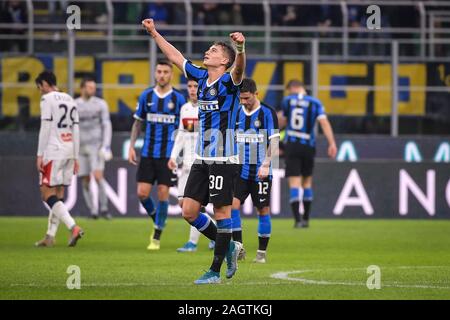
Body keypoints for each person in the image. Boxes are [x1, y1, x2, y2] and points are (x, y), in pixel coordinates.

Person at [142, 18, 245, 284]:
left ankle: (214, 271)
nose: (208, 51)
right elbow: (175, 56)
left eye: (214, 50)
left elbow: (239, 70)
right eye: (209, 48)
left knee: (222, 214)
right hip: (202, 157)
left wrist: (241, 49)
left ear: (224, 61)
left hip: (224, 157)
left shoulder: (229, 82)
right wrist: (154, 33)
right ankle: (232, 246)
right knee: (188, 210)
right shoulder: (200, 75)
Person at [128, 60, 186, 250]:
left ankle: (157, 236)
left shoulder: (178, 99)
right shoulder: (146, 96)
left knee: (163, 193)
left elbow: (184, 128)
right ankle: (158, 220)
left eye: (165, 72)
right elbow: (137, 123)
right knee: (142, 193)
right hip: (147, 153)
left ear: (171, 75)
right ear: (155, 73)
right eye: (159, 72)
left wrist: (181, 153)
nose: (162, 75)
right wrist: (131, 147)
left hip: (167, 155)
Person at [231, 78, 279, 264]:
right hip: (240, 170)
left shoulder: (267, 113)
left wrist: (266, 163)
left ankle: (261, 253)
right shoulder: (236, 113)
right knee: (233, 206)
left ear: (256, 94)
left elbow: (274, 141)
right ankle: (239, 248)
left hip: (261, 171)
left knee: (262, 209)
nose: (244, 102)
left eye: (247, 98)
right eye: (241, 98)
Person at [277, 80, 337, 228]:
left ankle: (297, 220)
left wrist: (272, 138)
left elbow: (282, 121)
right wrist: (332, 143)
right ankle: (307, 219)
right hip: (308, 146)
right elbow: (324, 123)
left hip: (292, 145)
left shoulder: (288, 101)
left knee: (294, 183)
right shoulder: (315, 103)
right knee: (307, 182)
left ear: (292, 88)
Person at [34, 71, 84, 247]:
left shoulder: (47, 100)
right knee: (58, 193)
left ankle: (73, 227)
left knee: (46, 193)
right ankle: (50, 236)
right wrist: (76, 156)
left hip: (54, 150)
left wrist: (40, 154)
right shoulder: (70, 99)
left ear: (46, 84)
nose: (40, 91)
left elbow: (46, 127)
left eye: (40, 87)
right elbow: (76, 130)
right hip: (69, 149)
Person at [169, 79, 215, 253]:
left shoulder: (208, 108)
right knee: (184, 203)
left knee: (194, 205)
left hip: (203, 163)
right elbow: (181, 134)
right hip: (187, 164)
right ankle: (214, 234)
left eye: (196, 86)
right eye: (190, 86)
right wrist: (173, 156)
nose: (193, 89)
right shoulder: (185, 109)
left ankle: (193, 242)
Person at [75, 78, 113, 220]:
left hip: (95, 146)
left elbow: (106, 125)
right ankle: (93, 211)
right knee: (85, 180)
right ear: (82, 88)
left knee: (98, 176)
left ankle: (103, 209)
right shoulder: (75, 104)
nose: (93, 90)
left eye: (94, 87)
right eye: (89, 87)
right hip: (80, 147)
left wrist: (106, 145)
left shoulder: (100, 104)